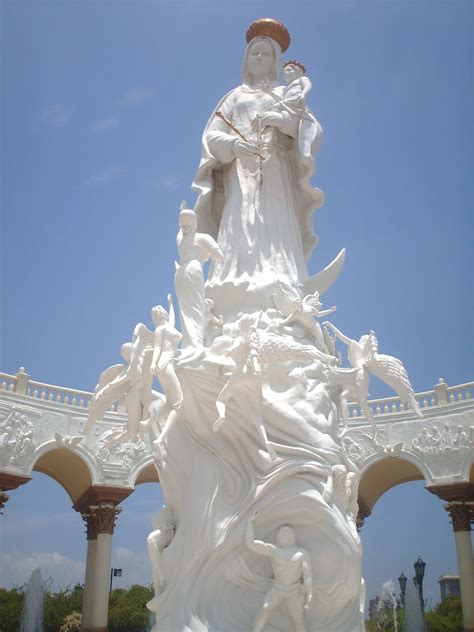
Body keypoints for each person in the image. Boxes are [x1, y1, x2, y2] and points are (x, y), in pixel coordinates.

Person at [193, 19, 324, 306]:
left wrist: (283, 121)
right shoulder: (234, 97)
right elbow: (212, 135)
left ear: (275, 60)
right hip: (239, 172)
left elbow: (309, 129)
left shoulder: (283, 94)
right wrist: (234, 145)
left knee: (273, 219)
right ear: (246, 59)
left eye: (265, 53)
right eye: (255, 53)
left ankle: (281, 280)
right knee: (241, 220)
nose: (259, 58)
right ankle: (232, 282)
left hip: (276, 169)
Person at [246, 511, 313, 632]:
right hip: (277, 588)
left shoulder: (301, 553)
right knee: (265, 608)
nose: (283, 533)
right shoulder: (273, 550)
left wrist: (310, 594)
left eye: (287, 531)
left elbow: (307, 575)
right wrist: (249, 523)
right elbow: (251, 544)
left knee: (299, 620)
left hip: (294, 590)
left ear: (293, 536)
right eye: (281, 532)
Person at [175, 202, 224, 354]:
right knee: (195, 307)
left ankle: (188, 344)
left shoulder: (180, 238)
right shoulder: (202, 238)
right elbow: (219, 256)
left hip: (180, 272)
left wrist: (182, 213)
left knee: (185, 309)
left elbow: (182, 225)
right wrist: (207, 254)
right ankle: (195, 344)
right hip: (193, 269)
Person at [151, 294, 183, 452]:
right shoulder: (159, 330)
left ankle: (149, 422)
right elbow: (157, 347)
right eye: (161, 311)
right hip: (164, 365)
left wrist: (171, 302)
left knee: (171, 402)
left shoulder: (168, 326)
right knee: (178, 404)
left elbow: (173, 319)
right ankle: (160, 438)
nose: (164, 312)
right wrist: (152, 363)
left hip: (165, 366)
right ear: (159, 316)